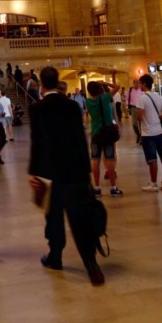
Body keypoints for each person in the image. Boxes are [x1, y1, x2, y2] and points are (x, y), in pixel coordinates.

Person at [29, 66, 105, 286]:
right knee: (80, 219)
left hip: (50, 173)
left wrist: (34, 172)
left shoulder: (37, 109)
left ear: (41, 85)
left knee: (53, 218)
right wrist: (87, 172)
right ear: (58, 82)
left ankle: (56, 257)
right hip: (75, 172)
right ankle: (91, 264)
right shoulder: (72, 106)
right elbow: (81, 140)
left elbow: (37, 143)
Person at [86, 82, 123, 196]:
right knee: (110, 160)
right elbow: (117, 86)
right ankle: (113, 188)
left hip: (95, 134)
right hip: (107, 134)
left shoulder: (88, 102)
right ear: (99, 89)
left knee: (95, 161)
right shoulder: (106, 98)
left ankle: (97, 188)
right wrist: (103, 82)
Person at [136, 74, 162, 191]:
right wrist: (157, 118)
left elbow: (139, 117)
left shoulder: (142, 98)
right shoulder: (158, 97)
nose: (139, 85)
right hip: (159, 132)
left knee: (152, 159)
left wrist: (142, 116)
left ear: (144, 84)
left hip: (148, 133)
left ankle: (153, 183)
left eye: (140, 83)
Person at [126, 79, 143, 144]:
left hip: (140, 108)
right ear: (133, 83)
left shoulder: (141, 91)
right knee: (134, 123)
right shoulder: (130, 90)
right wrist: (128, 106)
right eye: (136, 83)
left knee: (141, 123)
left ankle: (141, 137)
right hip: (133, 108)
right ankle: (138, 134)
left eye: (138, 83)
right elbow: (127, 99)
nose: (137, 84)